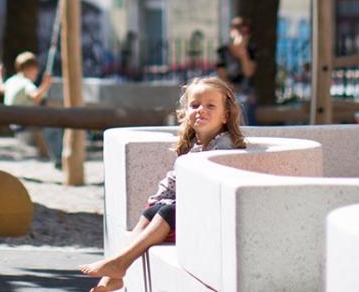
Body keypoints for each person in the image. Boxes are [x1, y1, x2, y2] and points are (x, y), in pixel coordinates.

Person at [79, 76, 245, 292]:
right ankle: (112, 276)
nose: (200, 110)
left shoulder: (225, 148)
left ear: (225, 115)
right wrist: (156, 200)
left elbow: (208, 191)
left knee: (168, 211)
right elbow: (174, 181)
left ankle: (119, 265)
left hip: (211, 219)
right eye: (194, 105)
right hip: (191, 213)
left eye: (210, 106)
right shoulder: (195, 147)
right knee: (152, 212)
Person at [0, 51, 63, 167]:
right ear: (30, 69)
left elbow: (0, 87)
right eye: (36, 69)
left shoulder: (12, 81)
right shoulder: (26, 83)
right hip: (24, 122)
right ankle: (58, 159)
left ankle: (44, 152)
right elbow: (35, 97)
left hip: (11, 121)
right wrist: (45, 84)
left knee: (46, 108)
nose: (37, 73)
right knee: (54, 127)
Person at [216, 16, 258, 125]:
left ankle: (248, 134)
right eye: (237, 28)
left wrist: (243, 54)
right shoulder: (223, 51)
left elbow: (248, 73)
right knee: (236, 102)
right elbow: (222, 77)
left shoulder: (250, 50)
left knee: (246, 102)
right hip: (229, 90)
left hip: (246, 92)